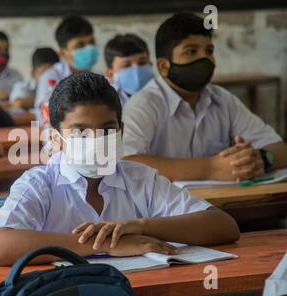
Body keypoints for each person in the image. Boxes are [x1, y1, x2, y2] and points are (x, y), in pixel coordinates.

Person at [0, 72, 240, 266]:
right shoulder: (39, 183)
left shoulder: (139, 178)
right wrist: (105, 245)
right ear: (55, 139)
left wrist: (140, 227)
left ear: (121, 131)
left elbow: (223, 226)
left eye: (107, 130)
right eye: (80, 131)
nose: (96, 139)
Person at [123, 13, 287, 182]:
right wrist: (212, 168)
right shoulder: (144, 104)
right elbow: (126, 163)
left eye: (209, 51)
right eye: (191, 51)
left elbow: (280, 149)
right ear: (164, 67)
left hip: (225, 203)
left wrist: (260, 159)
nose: (205, 59)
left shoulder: (223, 100)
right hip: (168, 208)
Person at [34, 16, 99, 123]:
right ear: (63, 53)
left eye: (91, 42)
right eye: (80, 45)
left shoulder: (98, 76)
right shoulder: (51, 78)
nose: (89, 49)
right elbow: (46, 118)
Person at [104, 33, 154, 106]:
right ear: (110, 74)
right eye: (126, 65)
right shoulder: (102, 99)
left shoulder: (164, 92)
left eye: (142, 63)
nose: (136, 70)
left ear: (150, 64)